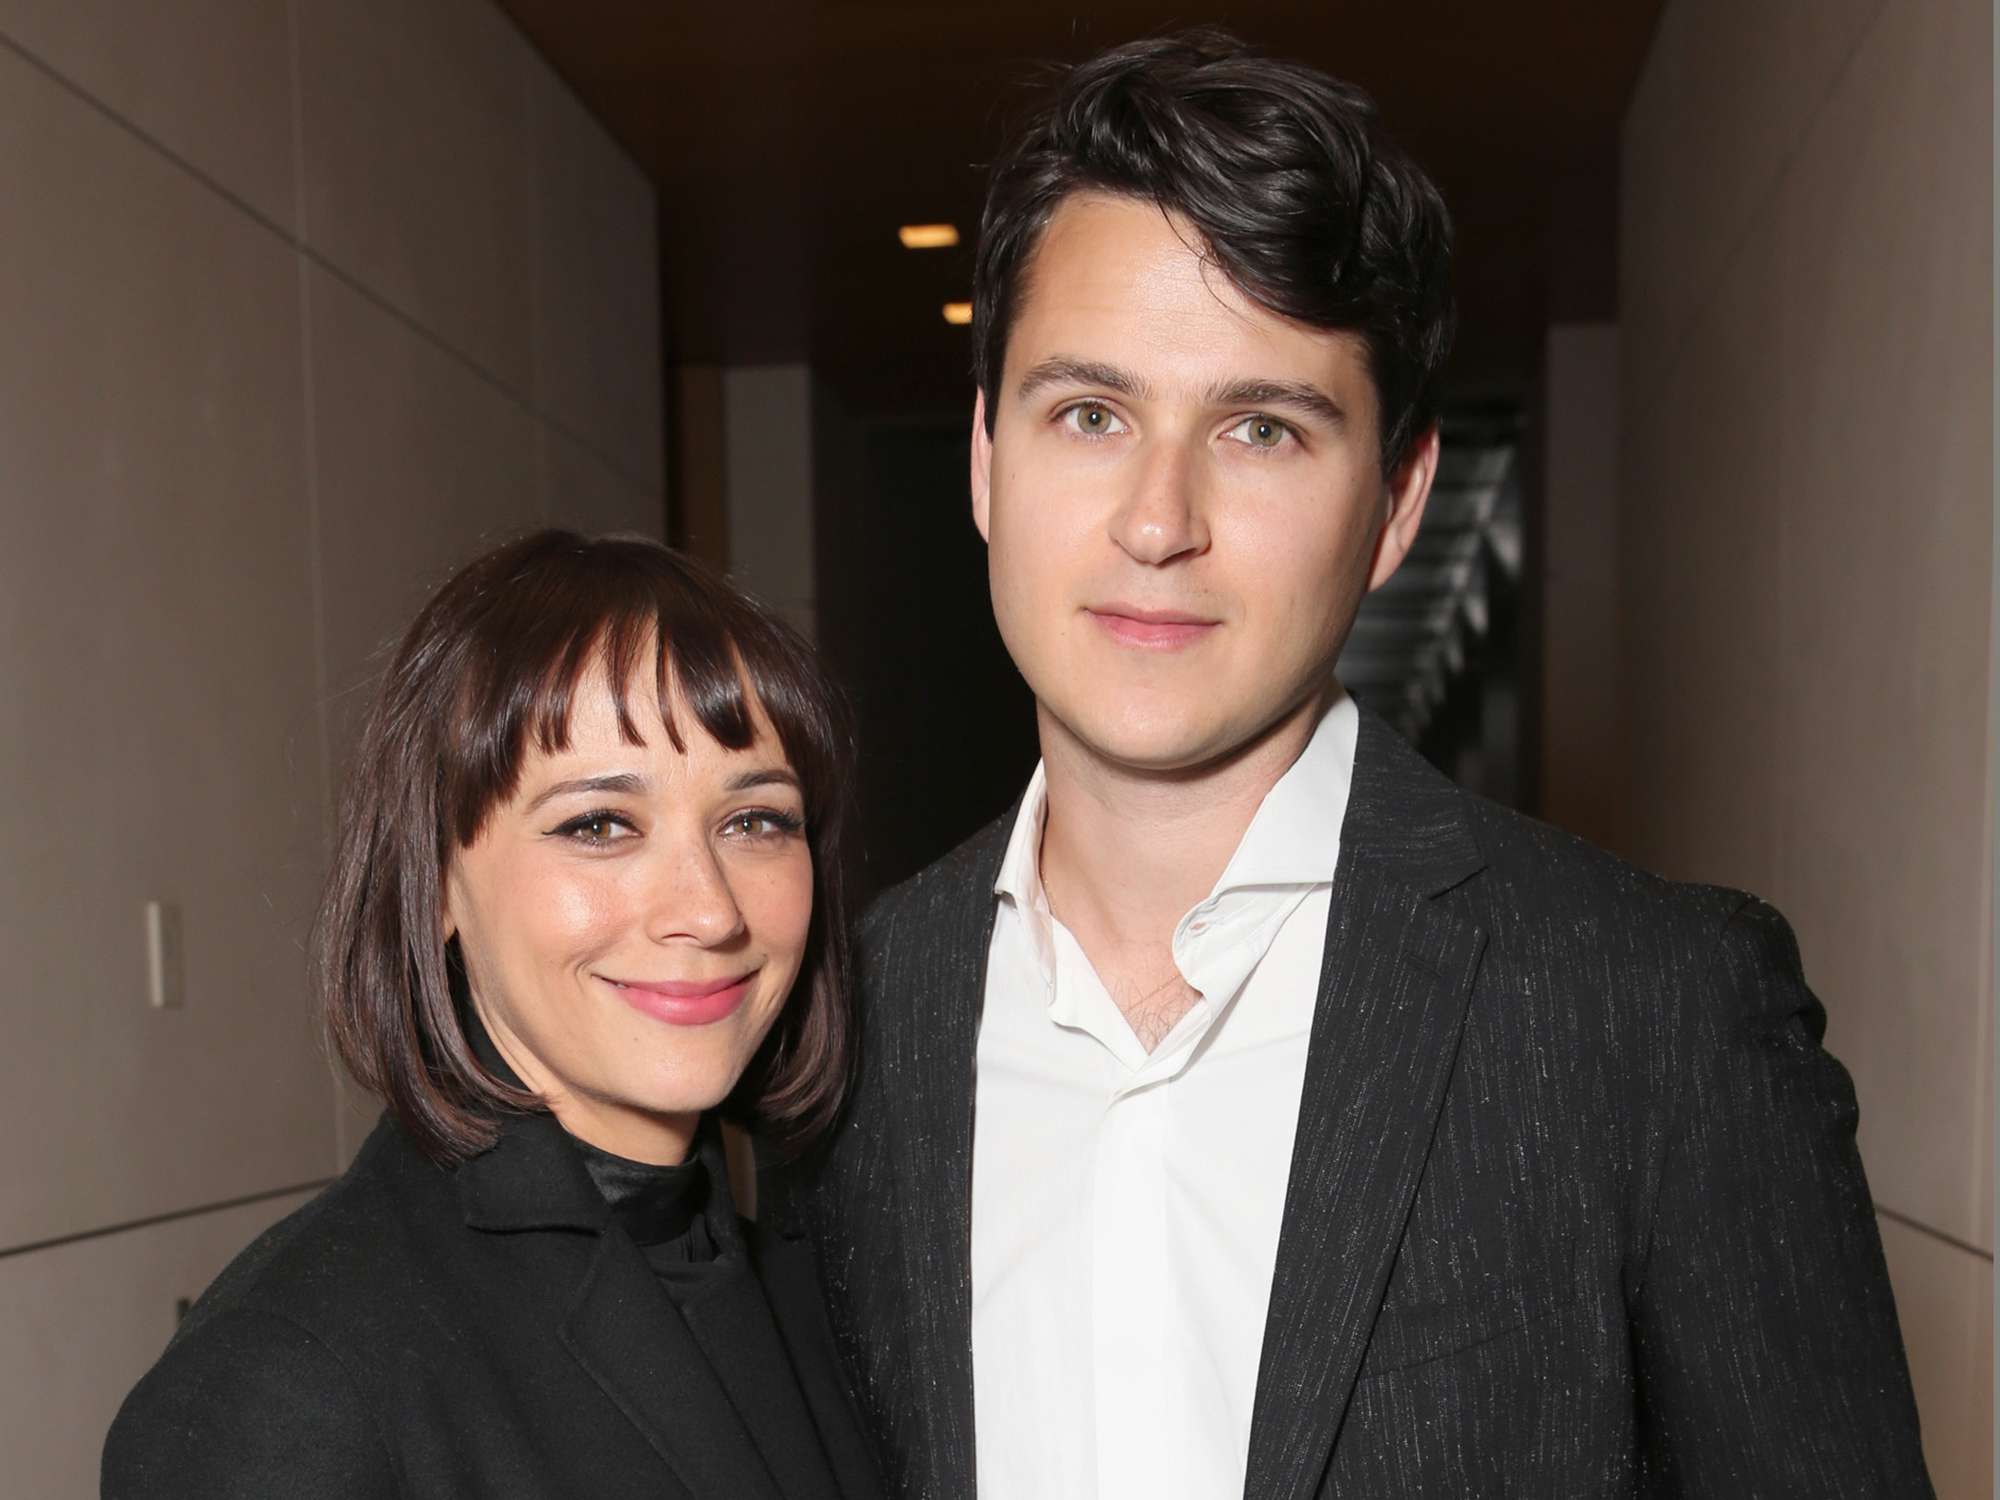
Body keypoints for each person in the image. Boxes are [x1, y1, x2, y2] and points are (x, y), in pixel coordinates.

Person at [765, 29, 1932, 1499]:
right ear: (989, 457)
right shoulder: (839, 1030)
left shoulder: (1653, 1016)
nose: (1156, 518)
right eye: (1090, 413)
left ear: (1394, 504)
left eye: (1259, 428)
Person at [104, 531, 883, 1499]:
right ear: (432, 882)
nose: (709, 910)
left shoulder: (814, 1281)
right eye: (599, 825)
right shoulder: (288, 1378)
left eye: (754, 821)